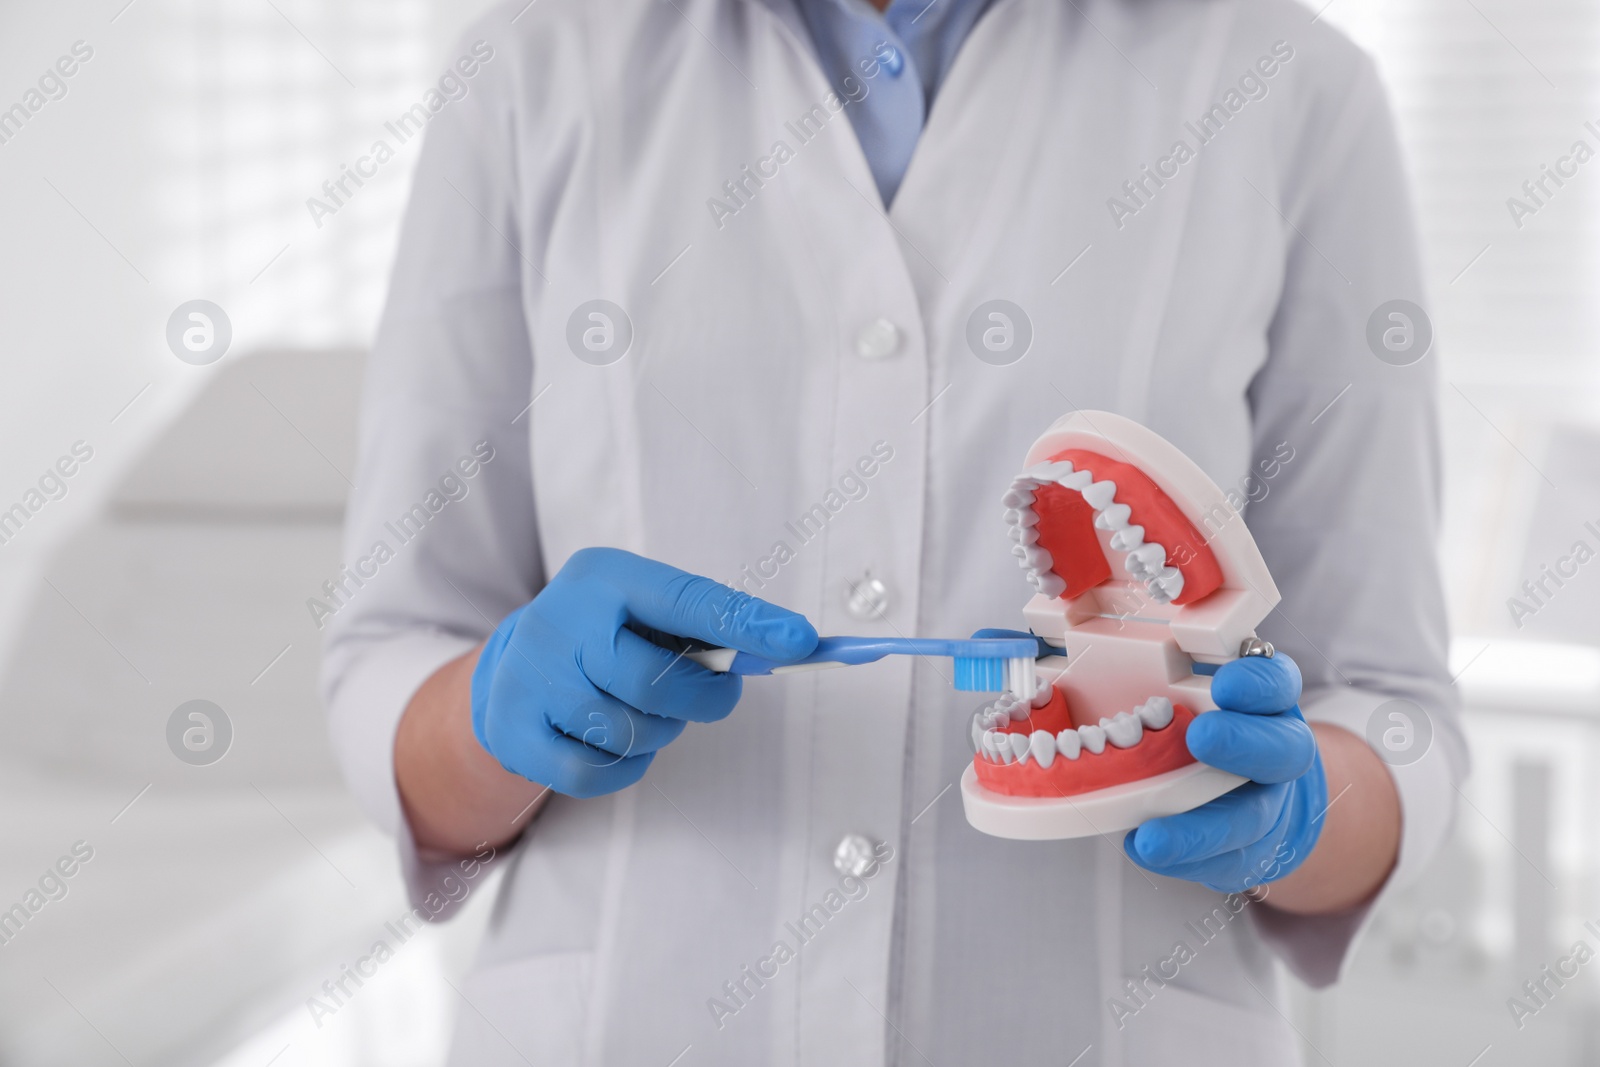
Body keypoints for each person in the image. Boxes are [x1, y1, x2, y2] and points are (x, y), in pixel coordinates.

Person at [321, 0, 1465, 1061]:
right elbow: (393, 653)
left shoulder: (1288, 83)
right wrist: (492, 716)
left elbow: (1389, 703)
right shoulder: (534, 64)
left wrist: (1296, 812)